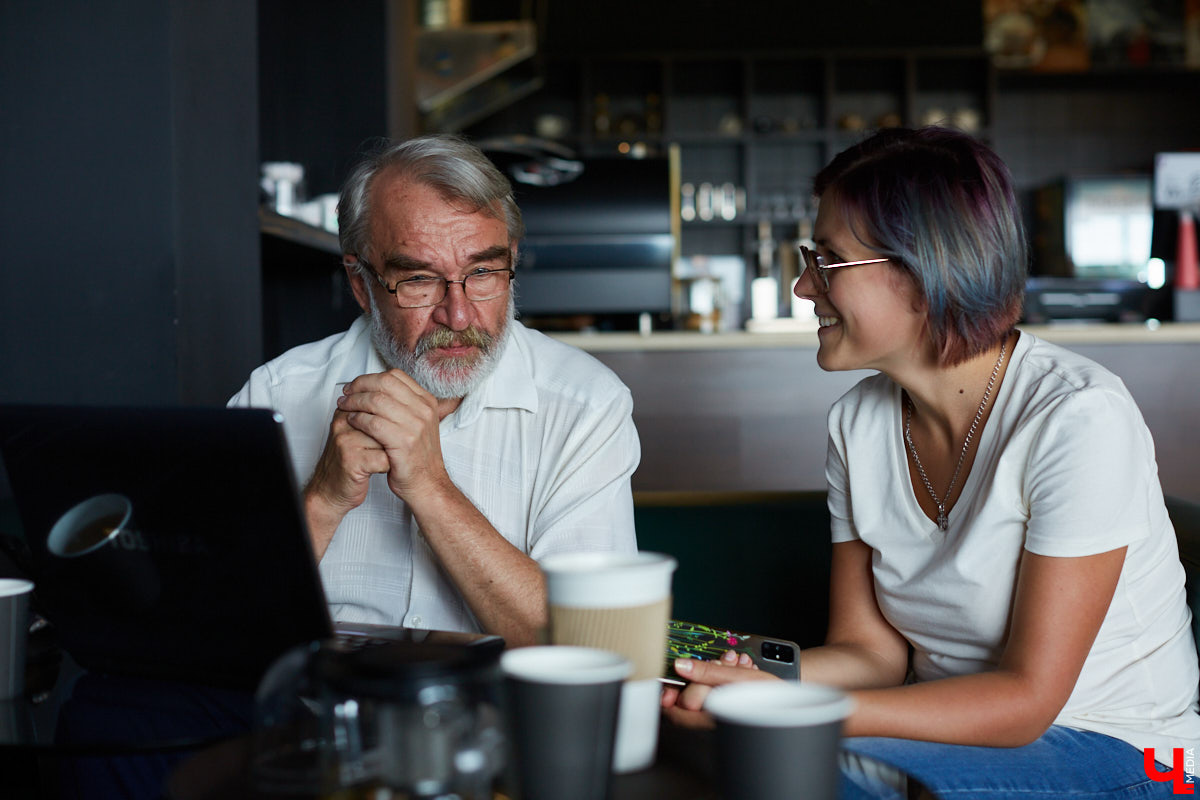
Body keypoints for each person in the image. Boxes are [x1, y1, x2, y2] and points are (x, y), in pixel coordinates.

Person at [662, 126, 1200, 797]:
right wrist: (742, 682)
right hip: (941, 737)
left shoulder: (1078, 418)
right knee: (731, 752)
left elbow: (1027, 700)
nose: (803, 286)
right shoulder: (857, 423)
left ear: (922, 271)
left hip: (1125, 750)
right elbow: (873, 654)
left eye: (826, 260)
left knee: (799, 768)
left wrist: (796, 712)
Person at [229, 135, 639, 647]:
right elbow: (214, 625)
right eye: (420, 279)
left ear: (511, 261)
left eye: (483, 272)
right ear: (361, 284)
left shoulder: (585, 406)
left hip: (505, 719)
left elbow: (593, 643)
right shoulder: (274, 395)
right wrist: (323, 500)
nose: (459, 315)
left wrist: (430, 484)